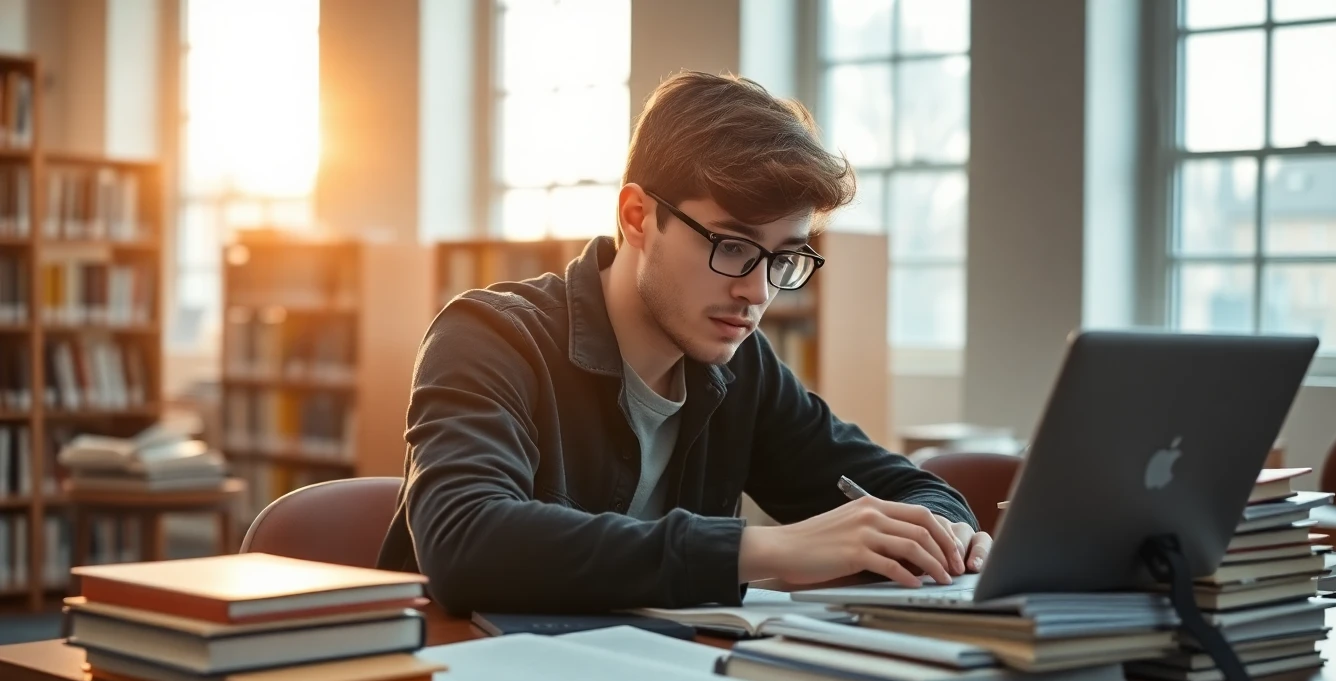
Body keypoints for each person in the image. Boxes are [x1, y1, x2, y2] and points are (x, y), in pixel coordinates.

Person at [376, 71, 993, 615]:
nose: (756, 292)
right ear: (638, 217)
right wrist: (766, 548)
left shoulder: (740, 367)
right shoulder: (491, 337)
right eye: (731, 245)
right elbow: (465, 540)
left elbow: (915, 490)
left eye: (784, 258)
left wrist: (947, 534)